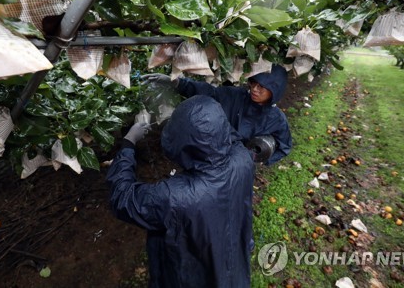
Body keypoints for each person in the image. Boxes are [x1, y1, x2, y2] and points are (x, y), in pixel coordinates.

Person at [106, 95, 255, 288]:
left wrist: (128, 144)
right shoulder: (243, 159)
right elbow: (224, 135)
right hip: (233, 263)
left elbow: (122, 197)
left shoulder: (175, 196)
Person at [141, 64, 292, 165]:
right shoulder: (236, 96)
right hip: (213, 155)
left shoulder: (277, 119)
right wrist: (177, 83)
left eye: (262, 87)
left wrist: (257, 156)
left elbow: (284, 147)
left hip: (240, 164)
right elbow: (209, 92)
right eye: (253, 83)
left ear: (275, 91)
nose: (254, 89)